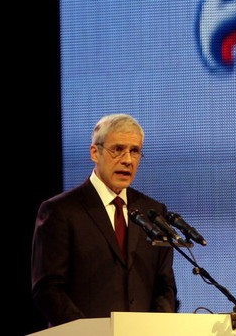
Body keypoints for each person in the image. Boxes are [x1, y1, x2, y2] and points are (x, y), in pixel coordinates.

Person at [31, 113, 177, 326]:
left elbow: (165, 286)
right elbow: (48, 289)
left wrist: (155, 329)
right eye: (117, 149)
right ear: (95, 153)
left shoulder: (153, 212)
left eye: (134, 151)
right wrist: (88, 331)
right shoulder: (60, 211)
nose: (127, 160)